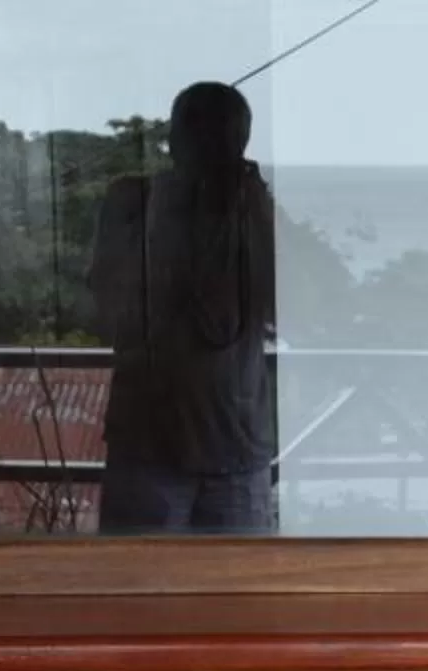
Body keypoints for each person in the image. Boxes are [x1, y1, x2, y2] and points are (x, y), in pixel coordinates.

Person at [89, 81, 280, 534]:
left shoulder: (248, 209)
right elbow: (109, 310)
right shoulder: (137, 202)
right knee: (146, 582)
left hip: (224, 452)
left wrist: (253, 211)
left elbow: (290, 302)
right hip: (160, 448)